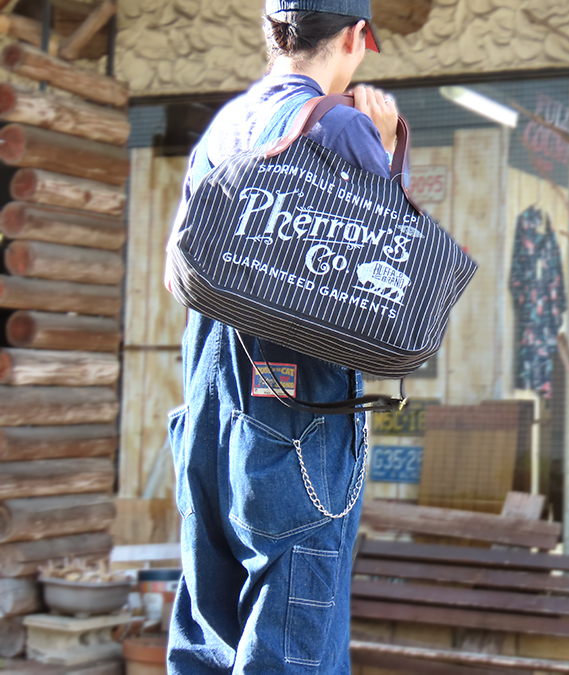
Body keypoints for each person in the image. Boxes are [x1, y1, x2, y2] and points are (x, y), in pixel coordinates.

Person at [164, 2, 396, 672]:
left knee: (208, 638)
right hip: (295, 422)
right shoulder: (342, 127)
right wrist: (384, 152)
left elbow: (180, 276)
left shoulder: (226, 126)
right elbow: (390, 283)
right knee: (293, 645)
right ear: (354, 37)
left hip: (211, 409)